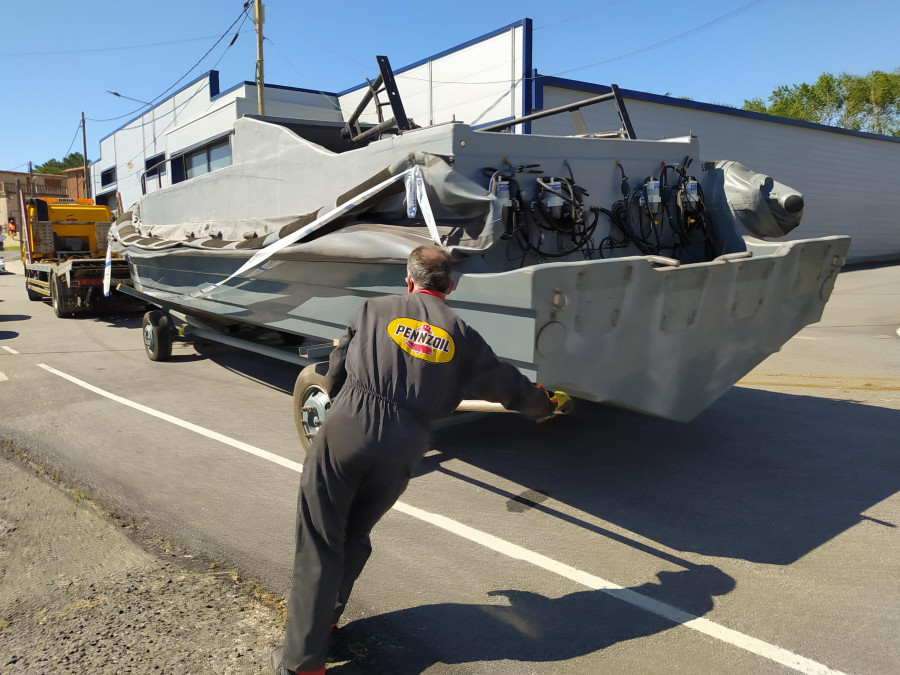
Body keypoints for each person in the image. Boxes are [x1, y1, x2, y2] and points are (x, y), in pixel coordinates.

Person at [272, 245, 572, 675]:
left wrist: (347, 407)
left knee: (320, 541)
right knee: (354, 535)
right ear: (450, 286)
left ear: (408, 280)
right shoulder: (462, 334)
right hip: (406, 441)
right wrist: (546, 404)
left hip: (348, 426)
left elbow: (335, 372)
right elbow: (509, 386)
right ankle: (327, 622)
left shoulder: (372, 309)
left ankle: (302, 663)